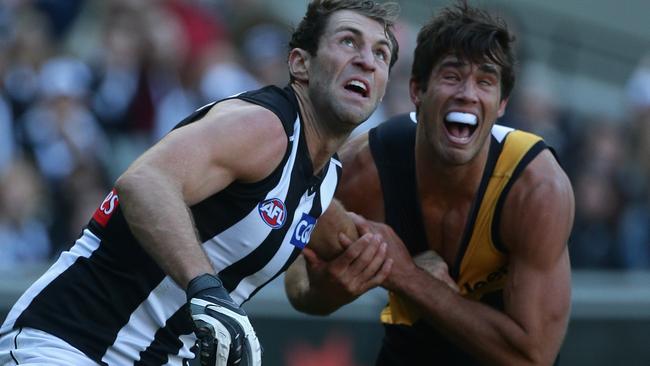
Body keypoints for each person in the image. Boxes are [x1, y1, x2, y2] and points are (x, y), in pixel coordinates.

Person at [0, 0, 400, 365]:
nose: (366, 60)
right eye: (349, 42)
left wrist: (388, 273)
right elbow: (143, 181)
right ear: (300, 64)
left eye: (380, 54)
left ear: (384, 86)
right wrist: (206, 289)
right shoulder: (264, 126)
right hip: (67, 344)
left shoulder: (323, 179)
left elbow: (304, 288)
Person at [285, 2, 574, 365]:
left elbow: (534, 357)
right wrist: (336, 287)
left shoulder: (536, 187)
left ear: (501, 105)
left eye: (485, 81)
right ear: (417, 91)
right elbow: (300, 285)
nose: (467, 94)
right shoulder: (368, 167)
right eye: (452, 76)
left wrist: (407, 276)